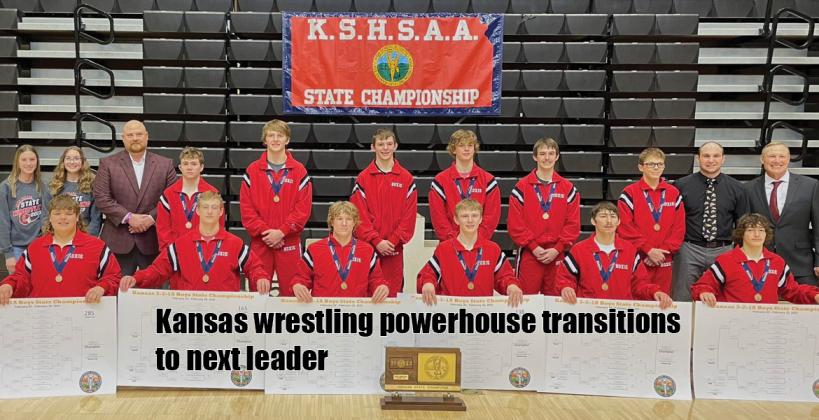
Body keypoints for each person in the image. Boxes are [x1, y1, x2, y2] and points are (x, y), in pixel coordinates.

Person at [119, 191, 270, 293]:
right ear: (197, 211)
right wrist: (135, 278)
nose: (209, 212)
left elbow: (254, 267)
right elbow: (157, 271)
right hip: (189, 313)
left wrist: (261, 278)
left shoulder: (235, 244)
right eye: (205, 207)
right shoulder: (180, 245)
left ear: (221, 211)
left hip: (225, 314)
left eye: (214, 207)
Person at [0, 194, 120, 304]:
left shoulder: (97, 246)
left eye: (69, 214)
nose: (63, 218)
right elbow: (21, 277)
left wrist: (102, 287)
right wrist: (8, 285)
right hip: (43, 318)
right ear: (50, 218)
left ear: (77, 217)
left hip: (84, 316)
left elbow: (114, 277)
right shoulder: (35, 247)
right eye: (57, 213)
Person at [93, 120, 177, 275]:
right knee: (117, 293)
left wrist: (150, 219)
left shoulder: (165, 164)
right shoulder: (108, 164)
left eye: (139, 134)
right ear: (123, 138)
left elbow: (172, 199)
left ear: (146, 137)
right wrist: (129, 217)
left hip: (153, 240)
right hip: (118, 241)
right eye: (130, 135)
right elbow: (101, 197)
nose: (135, 138)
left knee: (153, 295)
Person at [240, 119, 312, 295]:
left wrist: (282, 232)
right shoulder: (252, 170)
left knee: (291, 293)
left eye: (280, 135)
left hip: (289, 242)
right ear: (264, 140)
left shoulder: (299, 170)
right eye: (271, 135)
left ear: (287, 140)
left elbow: (303, 210)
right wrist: (267, 233)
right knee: (259, 293)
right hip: (261, 242)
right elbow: (246, 210)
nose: (275, 139)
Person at [556, 201, 673, 308]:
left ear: (619, 221)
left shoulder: (630, 250)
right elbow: (565, 277)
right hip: (587, 313)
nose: (609, 221)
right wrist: (566, 287)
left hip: (621, 315)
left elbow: (640, 284)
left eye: (613, 216)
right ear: (593, 221)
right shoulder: (579, 250)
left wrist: (655, 292)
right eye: (603, 216)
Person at [672, 142, 749, 301]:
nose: (711, 160)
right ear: (697, 158)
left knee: (721, 297)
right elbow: (672, 221)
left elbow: (743, 224)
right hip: (689, 249)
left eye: (716, 156)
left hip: (724, 250)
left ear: (723, 159)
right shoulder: (680, 185)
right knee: (682, 297)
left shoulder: (737, 188)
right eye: (706, 155)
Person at [692, 213, 819, 305]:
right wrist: (704, 292)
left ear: (766, 234)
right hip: (733, 321)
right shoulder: (726, 260)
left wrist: (814, 295)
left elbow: (792, 290)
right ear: (741, 234)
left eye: (761, 230)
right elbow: (703, 285)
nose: (757, 234)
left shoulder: (777, 262)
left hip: (766, 323)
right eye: (751, 230)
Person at [508, 137, 580, 295]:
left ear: (557, 156)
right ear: (535, 157)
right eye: (542, 153)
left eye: (551, 153)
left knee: (556, 303)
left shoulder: (568, 188)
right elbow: (515, 224)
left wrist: (557, 249)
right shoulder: (521, 187)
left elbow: (573, 225)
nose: (547, 158)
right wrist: (533, 247)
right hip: (530, 253)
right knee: (526, 301)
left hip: (557, 253)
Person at [417, 199, 523, 306]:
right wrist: (428, 284)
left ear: (481, 219)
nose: (470, 220)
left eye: (474, 215)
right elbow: (428, 275)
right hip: (450, 315)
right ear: (456, 220)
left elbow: (505, 276)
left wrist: (512, 286)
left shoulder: (493, 249)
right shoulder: (443, 249)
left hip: (482, 315)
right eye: (465, 216)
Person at [349, 128, 417, 297]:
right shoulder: (363, 178)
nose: (385, 148)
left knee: (392, 295)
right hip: (368, 247)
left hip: (394, 250)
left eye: (389, 144)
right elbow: (359, 215)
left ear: (395, 146)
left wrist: (393, 241)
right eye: (380, 144)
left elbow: (409, 217)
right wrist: (376, 240)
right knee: (365, 293)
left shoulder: (406, 178)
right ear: (373, 147)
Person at [746, 141, 819, 285]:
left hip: (801, 265)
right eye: (772, 156)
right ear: (762, 159)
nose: (777, 161)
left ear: (789, 159)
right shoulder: (748, 189)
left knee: (806, 305)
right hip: (759, 265)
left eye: (782, 156)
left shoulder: (810, 186)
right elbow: (743, 228)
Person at [617, 147, 685, 295]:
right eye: (651, 164)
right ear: (641, 167)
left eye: (659, 164)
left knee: (662, 300)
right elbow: (625, 228)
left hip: (663, 258)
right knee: (636, 297)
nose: (656, 167)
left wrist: (662, 253)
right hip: (638, 257)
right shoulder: (629, 193)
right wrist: (647, 250)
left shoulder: (673, 193)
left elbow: (679, 228)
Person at [292, 201, 389, 303]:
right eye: (339, 219)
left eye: (348, 219)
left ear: (354, 223)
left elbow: (376, 279)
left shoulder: (367, 250)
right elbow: (301, 278)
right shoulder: (314, 249)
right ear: (332, 222)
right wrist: (298, 285)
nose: (344, 223)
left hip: (357, 312)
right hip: (323, 312)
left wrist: (381, 286)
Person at [429, 129, 500, 241]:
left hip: (480, 244)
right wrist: (454, 241)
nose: (466, 149)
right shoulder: (440, 181)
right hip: (449, 244)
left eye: (470, 145)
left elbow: (491, 217)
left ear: (474, 149)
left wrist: (476, 239)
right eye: (461, 145)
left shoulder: (488, 181)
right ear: (454, 149)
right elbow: (439, 218)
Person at [155, 147, 222, 250]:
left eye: (194, 164)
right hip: (175, 253)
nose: (189, 167)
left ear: (201, 167)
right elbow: (163, 230)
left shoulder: (212, 193)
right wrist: (172, 254)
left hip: (204, 253)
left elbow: (218, 227)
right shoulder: (168, 195)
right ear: (180, 167)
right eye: (185, 164)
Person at [0, 145, 51, 274]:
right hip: (16, 247)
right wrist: (8, 254)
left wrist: (45, 244)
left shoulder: (42, 186)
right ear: (17, 162)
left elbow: (46, 219)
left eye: (32, 159)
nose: (28, 163)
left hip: (38, 245)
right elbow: (3, 222)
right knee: (20, 287)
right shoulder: (6, 187)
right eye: (24, 160)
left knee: (39, 286)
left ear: (37, 162)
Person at [49, 146, 102, 237]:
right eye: (68, 158)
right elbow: (46, 216)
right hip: (59, 236)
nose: (72, 162)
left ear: (82, 162)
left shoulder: (92, 185)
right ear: (63, 162)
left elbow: (96, 218)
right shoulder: (54, 186)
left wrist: (87, 239)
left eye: (76, 158)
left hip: (85, 236)